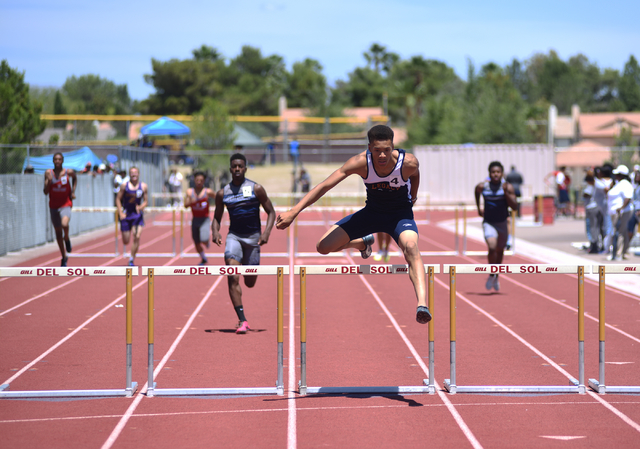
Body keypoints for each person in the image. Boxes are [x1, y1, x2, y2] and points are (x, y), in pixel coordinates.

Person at [276, 124, 432, 324]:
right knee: (323, 247)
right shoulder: (360, 163)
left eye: (386, 150)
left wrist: (414, 196)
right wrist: (293, 211)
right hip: (371, 214)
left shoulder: (407, 162)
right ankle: (361, 243)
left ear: (392, 146)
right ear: (369, 148)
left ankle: (422, 304)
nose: (382, 156)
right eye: (377, 151)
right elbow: (325, 185)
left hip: (399, 216)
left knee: (411, 247)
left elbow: (415, 173)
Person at [211, 154, 276, 334]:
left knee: (249, 282)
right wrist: (215, 231)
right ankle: (242, 320)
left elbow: (271, 212)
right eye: (234, 166)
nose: (237, 169)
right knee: (232, 274)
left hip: (253, 238)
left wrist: (266, 233)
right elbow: (216, 217)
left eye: (240, 166)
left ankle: (249, 274)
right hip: (234, 237)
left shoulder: (256, 188)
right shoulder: (223, 193)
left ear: (245, 168)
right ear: (230, 169)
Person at [475, 161, 518, 291]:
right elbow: (476, 192)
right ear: (489, 173)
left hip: (502, 223)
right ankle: (491, 273)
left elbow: (515, 206)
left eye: (498, 172)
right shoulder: (483, 187)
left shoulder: (507, 187)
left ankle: (496, 275)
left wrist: (506, 194)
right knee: (492, 246)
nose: (495, 174)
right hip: (489, 222)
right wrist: (479, 208)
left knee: (500, 251)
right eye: (493, 172)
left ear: (502, 173)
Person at [43, 152, 77, 267]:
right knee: (58, 233)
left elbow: (75, 178)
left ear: (62, 161)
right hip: (53, 206)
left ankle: (66, 237)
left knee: (64, 223)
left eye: (59, 159)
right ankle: (64, 256)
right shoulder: (48, 173)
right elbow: (45, 192)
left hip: (65, 204)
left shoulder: (68, 172)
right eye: (55, 159)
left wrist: (73, 192)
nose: (57, 161)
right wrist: (48, 181)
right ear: (53, 161)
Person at [116, 167, 148, 266]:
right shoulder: (124, 186)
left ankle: (131, 258)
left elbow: (146, 201)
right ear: (129, 174)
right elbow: (118, 199)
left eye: (135, 173)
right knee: (126, 241)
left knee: (137, 236)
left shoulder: (143, 186)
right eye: (132, 173)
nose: (134, 175)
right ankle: (131, 255)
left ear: (139, 174)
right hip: (126, 214)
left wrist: (141, 206)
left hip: (137, 215)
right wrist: (120, 212)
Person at [184, 171, 216, 265]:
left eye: (201, 180)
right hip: (195, 219)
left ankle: (206, 242)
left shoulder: (208, 192)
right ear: (194, 180)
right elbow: (185, 205)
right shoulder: (190, 192)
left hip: (204, 219)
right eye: (197, 180)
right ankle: (203, 259)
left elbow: (218, 198)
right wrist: (191, 202)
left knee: (204, 239)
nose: (199, 182)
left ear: (204, 181)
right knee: (196, 243)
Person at [605, 165, 634, 260]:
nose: (615, 176)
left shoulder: (625, 184)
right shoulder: (619, 183)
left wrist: (621, 208)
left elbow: (628, 198)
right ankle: (624, 251)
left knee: (619, 232)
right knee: (623, 231)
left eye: (617, 174)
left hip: (624, 212)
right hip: (619, 212)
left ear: (622, 175)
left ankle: (618, 253)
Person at [582, 172, 600, 253]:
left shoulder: (591, 186)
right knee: (596, 227)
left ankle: (594, 245)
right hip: (597, 207)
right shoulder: (598, 184)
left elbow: (586, 194)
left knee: (592, 227)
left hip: (591, 207)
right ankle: (594, 244)